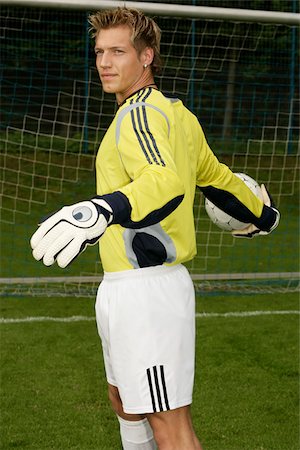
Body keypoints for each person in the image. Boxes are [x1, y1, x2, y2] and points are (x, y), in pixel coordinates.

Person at [30, 7, 280, 450]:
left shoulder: (141, 115)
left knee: (172, 429)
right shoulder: (176, 115)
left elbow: (164, 182)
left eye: (118, 52)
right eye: (100, 52)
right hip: (126, 286)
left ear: (146, 57)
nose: (104, 62)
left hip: (148, 292)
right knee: (124, 401)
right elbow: (218, 180)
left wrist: (100, 210)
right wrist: (262, 215)